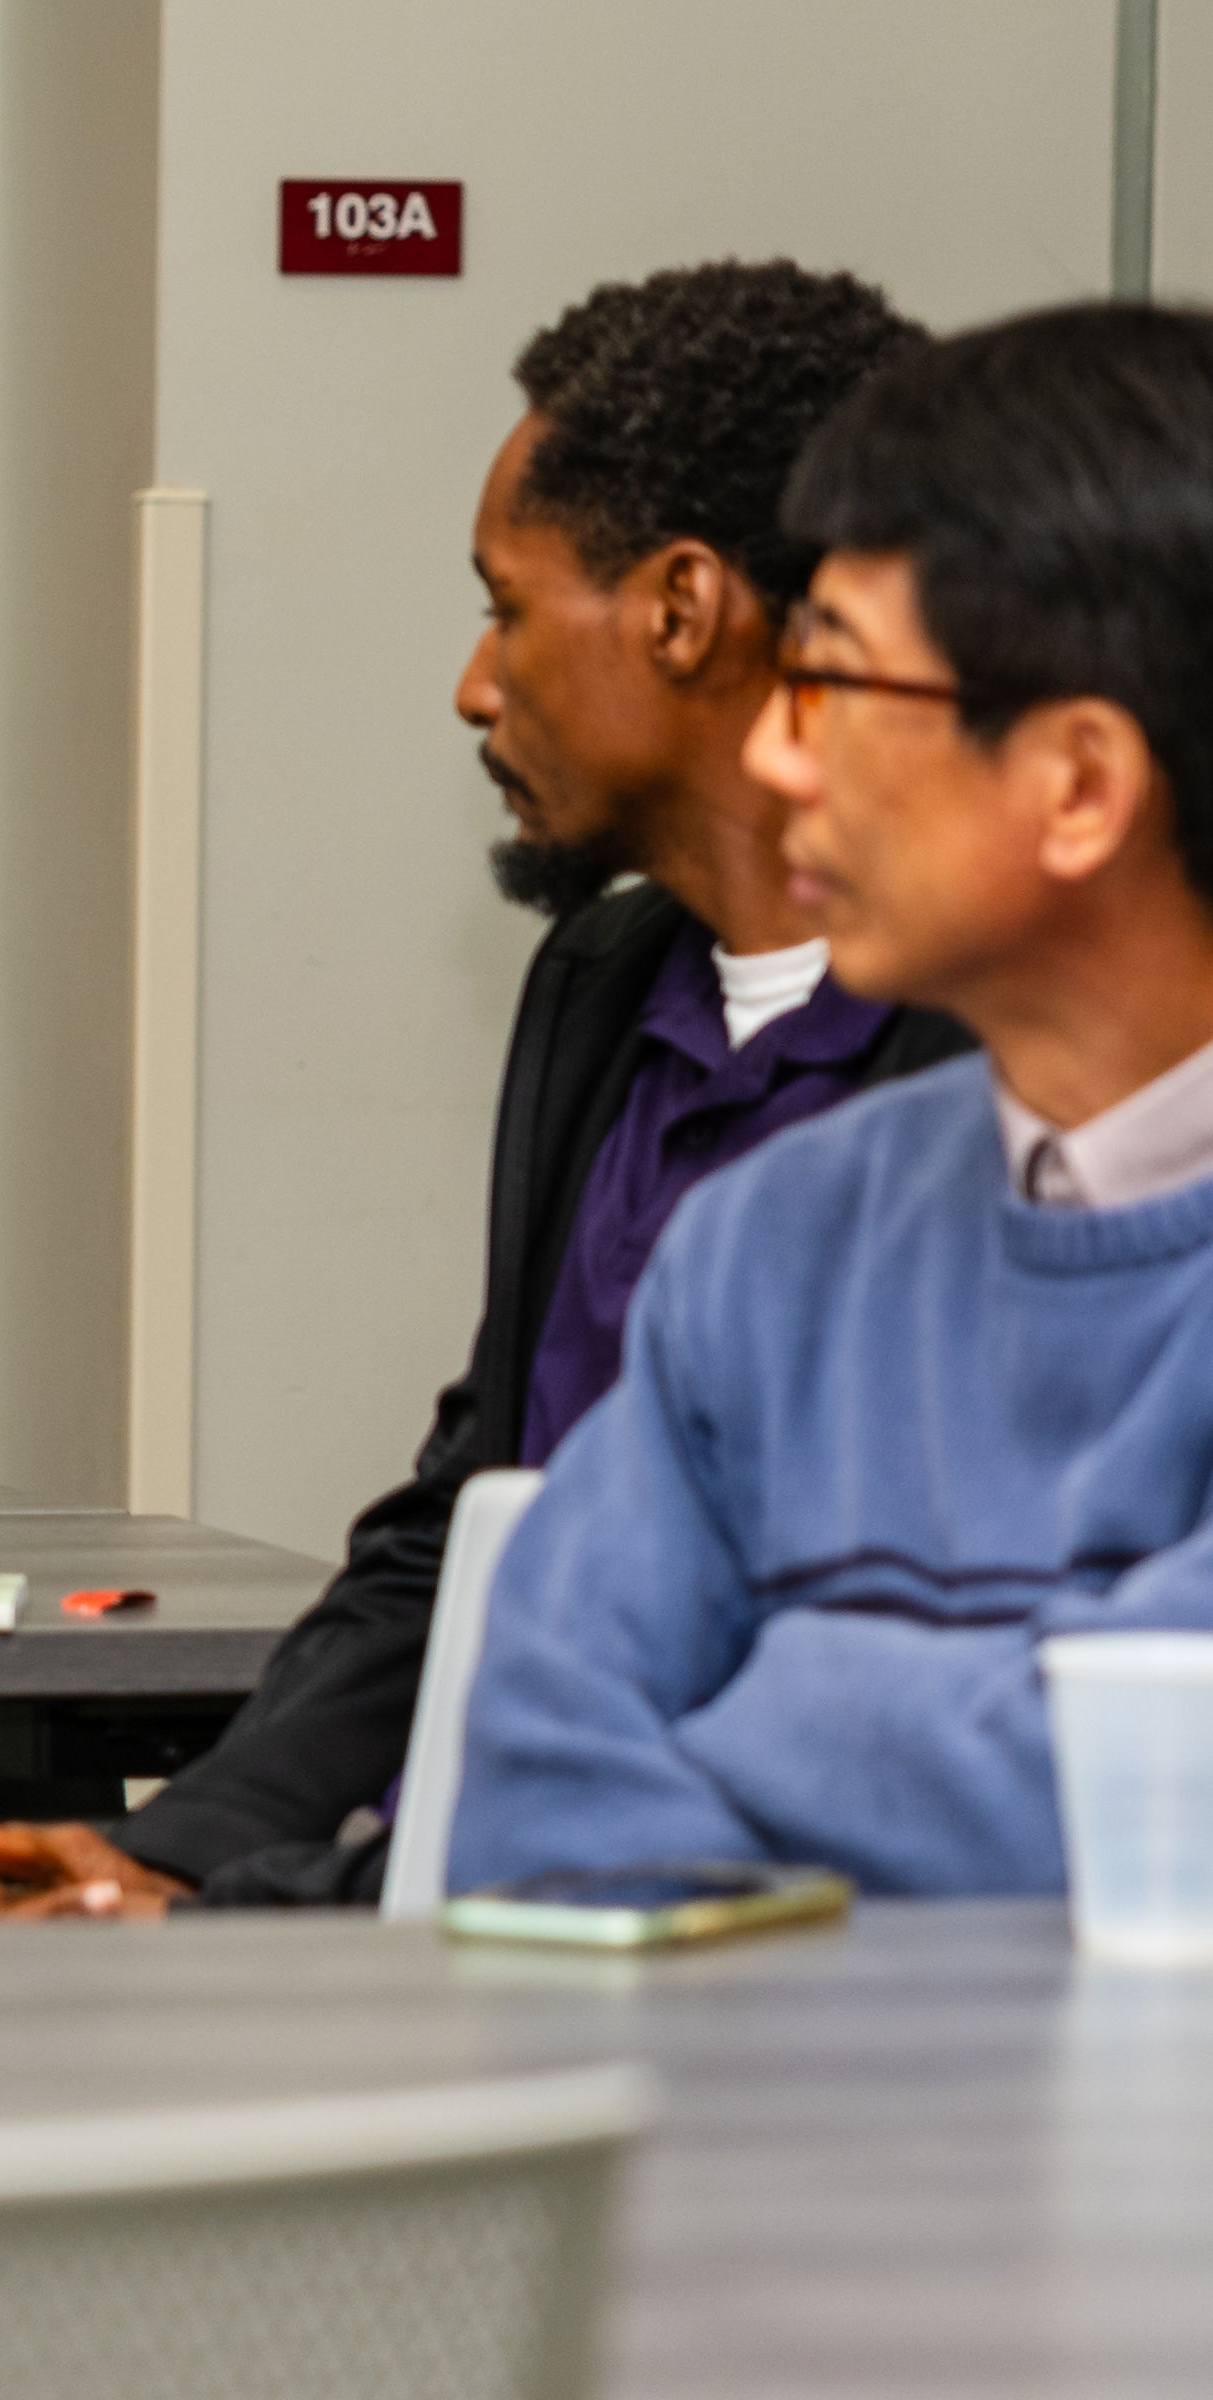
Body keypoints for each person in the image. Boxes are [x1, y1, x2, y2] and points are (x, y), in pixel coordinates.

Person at [0, 261, 962, 1917]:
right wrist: (171, 1853)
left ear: (683, 609)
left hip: (716, 1937)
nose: (475, 685)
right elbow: (471, 1519)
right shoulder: (602, 989)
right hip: (444, 1905)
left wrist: (274, 1909)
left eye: (507, 608)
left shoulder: (982, 1057)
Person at [451, 303, 1213, 1893]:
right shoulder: (776, 1237)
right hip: (742, 2062)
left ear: (1080, 786)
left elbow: (1150, 1804)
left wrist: (758, 1707)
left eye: (837, 686)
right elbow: (536, 1756)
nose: (784, 762)